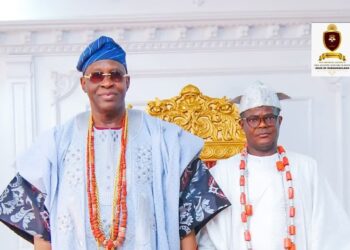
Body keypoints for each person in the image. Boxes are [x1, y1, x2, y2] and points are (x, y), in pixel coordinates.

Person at [0, 36, 230, 250]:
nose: (107, 82)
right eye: (97, 75)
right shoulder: (55, 143)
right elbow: (42, 231)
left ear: (127, 82)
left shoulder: (165, 139)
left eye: (115, 75)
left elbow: (186, 223)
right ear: (83, 84)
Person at [197, 82, 350, 250]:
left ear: (279, 121)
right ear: (242, 125)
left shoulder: (306, 168)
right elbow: (209, 239)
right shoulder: (221, 173)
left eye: (269, 117)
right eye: (254, 119)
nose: (262, 125)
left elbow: (330, 230)